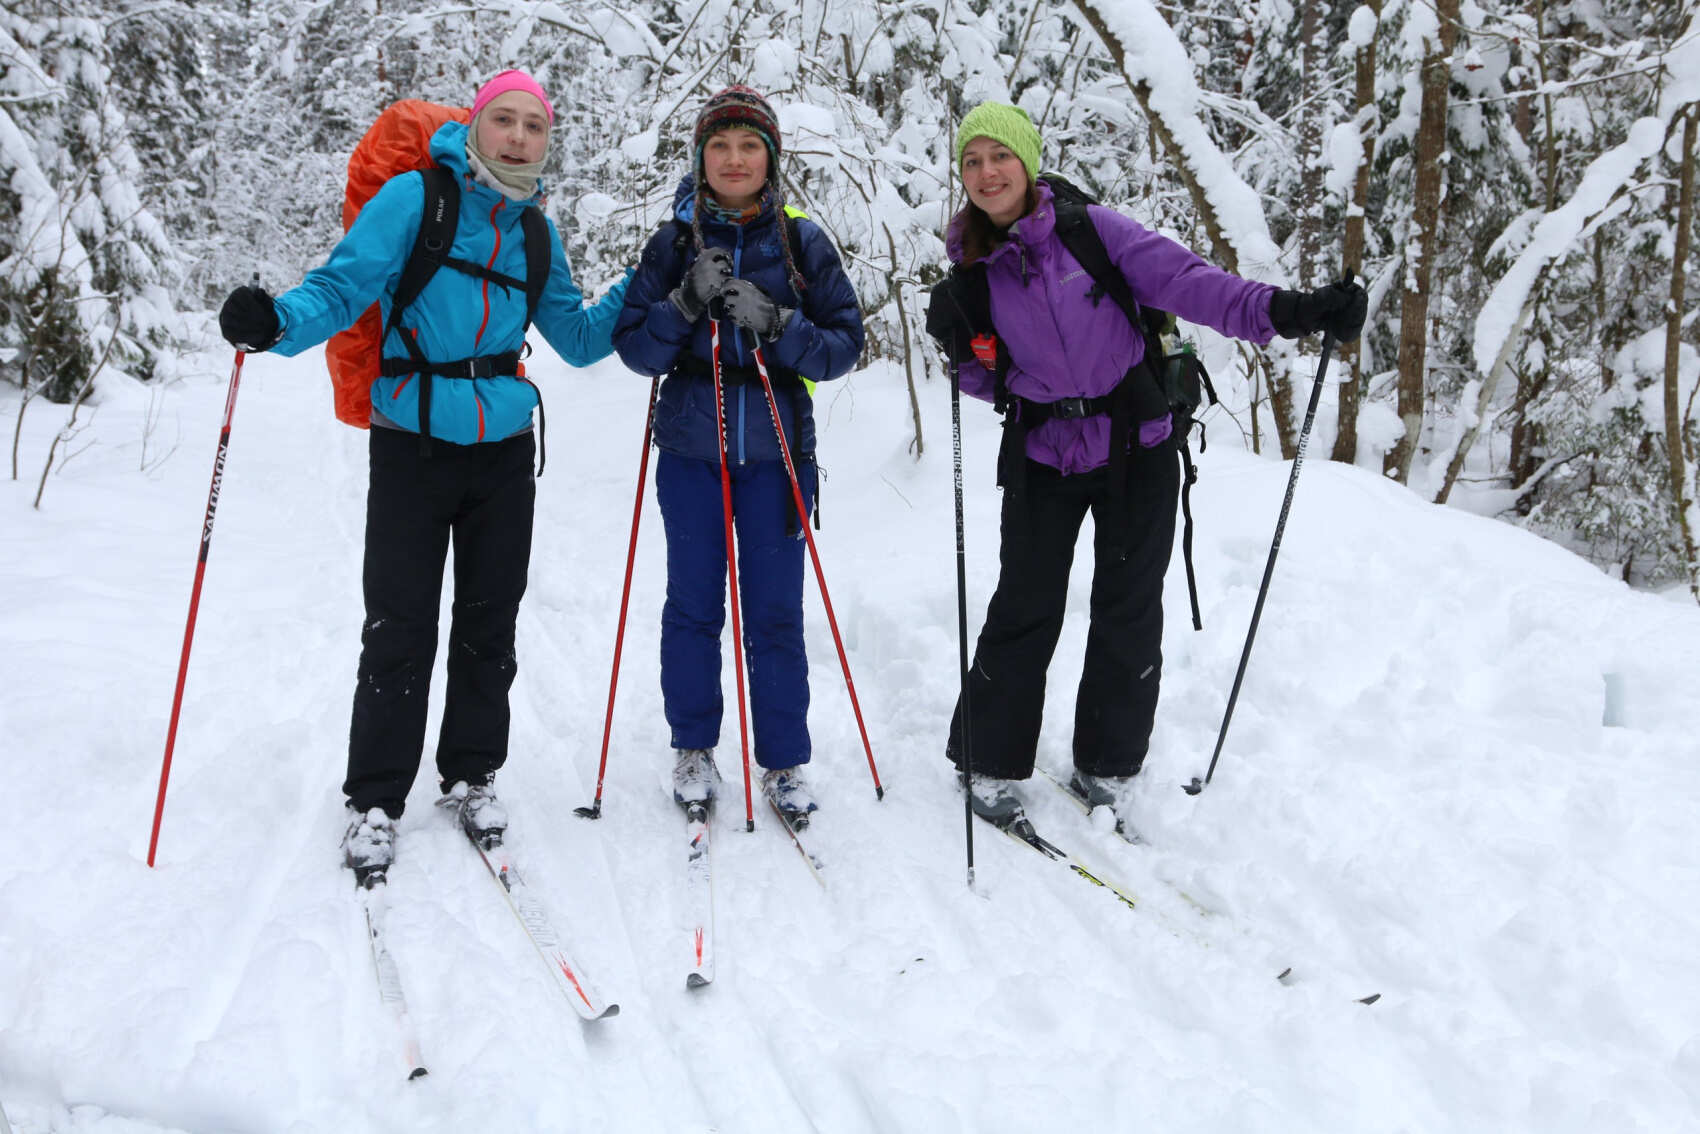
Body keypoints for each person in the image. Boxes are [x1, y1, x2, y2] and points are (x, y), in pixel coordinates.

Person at [217, 70, 630, 883]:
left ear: (547, 141)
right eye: (503, 121)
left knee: (491, 622)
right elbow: (344, 287)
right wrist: (274, 323)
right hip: (411, 442)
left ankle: (472, 777)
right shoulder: (417, 200)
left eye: (533, 127)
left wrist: (654, 288)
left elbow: (578, 340)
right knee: (400, 625)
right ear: (475, 126)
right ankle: (375, 800)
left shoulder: (538, 234)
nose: (517, 138)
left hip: (505, 452)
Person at [925, 102, 1365, 833]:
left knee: (1128, 608)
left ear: (1027, 162)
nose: (986, 173)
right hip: (1040, 451)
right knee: (1024, 606)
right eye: (971, 162)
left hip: (1137, 443)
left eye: (998, 156)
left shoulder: (1094, 234)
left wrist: (1292, 311)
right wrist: (965, 354)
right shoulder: (972, 267)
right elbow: (986, 380)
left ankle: (1108, 764)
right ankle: (989, 758)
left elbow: (1197, 286)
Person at [612, 85, 864, 824]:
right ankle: (694, 748)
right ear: (700, 156)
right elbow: (635, 349)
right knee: (692, 605)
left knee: (776, 613)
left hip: (779, 455)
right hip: (692, 451)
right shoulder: (673, 241)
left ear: (770, 158)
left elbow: (843, 347)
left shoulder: (802, 242)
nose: (733, 159)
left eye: (748, 146)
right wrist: (684, 303)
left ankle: (784, 762)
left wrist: (778, 321)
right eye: (719, 146)